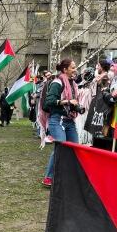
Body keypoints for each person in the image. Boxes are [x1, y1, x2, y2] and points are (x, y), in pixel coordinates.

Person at [42, 59, 82, 188]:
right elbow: (49, 101)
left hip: (69, 120)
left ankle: (68, 176)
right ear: (65, 70)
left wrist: (75, 105)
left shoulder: (73, 84)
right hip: (57, 119)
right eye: (73, 67)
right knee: (61, 148)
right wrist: (67, 102)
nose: (75, 70)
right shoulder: (57, 82)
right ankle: (49, 177)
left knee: (75, 148)